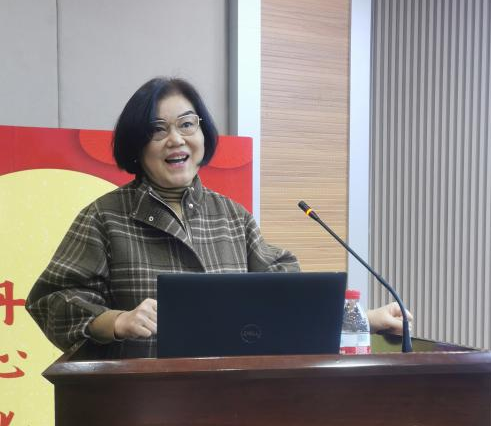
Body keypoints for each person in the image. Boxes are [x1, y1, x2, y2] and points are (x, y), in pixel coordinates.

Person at [26, 77, 410, 361]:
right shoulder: (105, 217)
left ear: (203, 133)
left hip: (227, 405)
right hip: (141, 407)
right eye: (157, 130)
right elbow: (51, 300)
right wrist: (115, 321)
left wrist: (366, 319)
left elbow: (288, 300)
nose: (176, 139)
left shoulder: (232, 217)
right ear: (136, 145)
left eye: (186, 124)